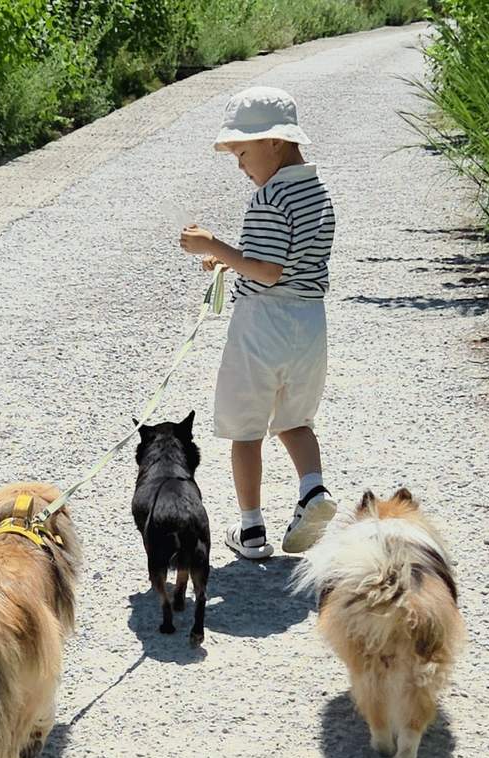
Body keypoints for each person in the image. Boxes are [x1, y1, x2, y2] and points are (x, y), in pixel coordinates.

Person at [179, 86, 337, 559]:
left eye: (243, 152)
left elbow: (267, 272)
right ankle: (314, 490)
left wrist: (213, 246)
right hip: (308, 323)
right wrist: (233, 263)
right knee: (295, 419)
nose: (241, 166)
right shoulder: (317, 191)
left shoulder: (271, 196)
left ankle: (251, 530)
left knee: (246, 428)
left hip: (262, 325)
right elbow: (286, 260)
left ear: (275, 142)